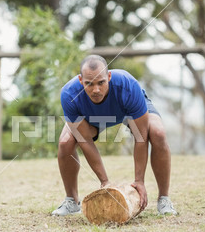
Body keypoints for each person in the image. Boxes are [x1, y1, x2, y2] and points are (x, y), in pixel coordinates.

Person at [52, 54, 177, 216]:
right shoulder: (69, 94)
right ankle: (71, 201)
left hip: (127, 111)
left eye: (101, 82)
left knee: (158, 133)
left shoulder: (128, 85)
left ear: (109, 76)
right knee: (65, 142)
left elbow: (141, 137)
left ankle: (164, 199)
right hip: (92, 118)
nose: (96, 89)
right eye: (89, 84)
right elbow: (85, 141)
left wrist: (139, 181)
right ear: (80, 80)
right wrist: (105, 182)